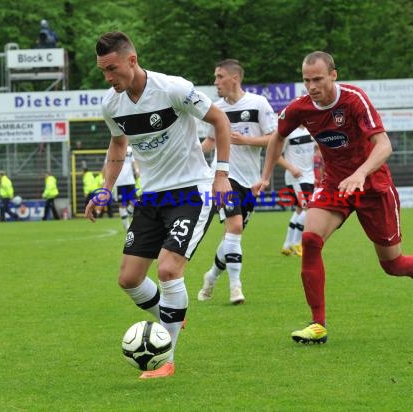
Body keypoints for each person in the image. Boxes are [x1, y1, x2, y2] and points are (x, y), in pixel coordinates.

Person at [253, 51, 413, 344]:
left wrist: (360, 174)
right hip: (335, 185)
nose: (311, 86)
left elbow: (383, 145)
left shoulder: (354, 99)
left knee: (392, 264)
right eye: (306, 80)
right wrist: (265, 176)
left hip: (373, 187)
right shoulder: (300, 108)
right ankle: (317, 324)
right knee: (310, 241)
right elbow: (277, 137)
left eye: (318, 79)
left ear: (333, 75)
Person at [87, 31, 231, 379]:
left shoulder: (173, 89)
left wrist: (221, 175)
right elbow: (118, 147)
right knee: (129, 279)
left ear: (131, 60)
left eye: (112, 68)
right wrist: (105, 188)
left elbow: (220, 121)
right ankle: (173, 316)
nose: (108, 77)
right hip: (151, 197)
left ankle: (167, 357)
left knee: (168, 270)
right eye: (103, 71)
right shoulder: (112, 104)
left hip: (190, 192)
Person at [197, 59, 277, 305]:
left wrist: (246, 141)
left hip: (250, 180)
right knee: (235, 228)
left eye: (219, 76)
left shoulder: (258, 103)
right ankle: (236, 288)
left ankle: (211, 276)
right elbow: (210, 142)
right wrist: (190, 158)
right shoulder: (215, 108)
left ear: (235, 78)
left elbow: (274, 138)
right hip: (222, 177)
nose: (215, 81)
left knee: (232, 237)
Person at [277, 125, 315, 257]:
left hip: (309, 177)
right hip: (296, 178)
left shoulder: (311, 128)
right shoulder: (288, 131)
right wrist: (291, 168)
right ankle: (297, 243)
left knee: (300, 209)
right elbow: (276, 155)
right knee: (309, 208)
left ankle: (287, 245)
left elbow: (317, 148)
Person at [106, 145, 140, 230]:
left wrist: (136, 170)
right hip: (119, 181)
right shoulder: (111, 150)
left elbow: (133, 162)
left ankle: (127, 214)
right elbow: (108, 165)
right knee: (123, 203)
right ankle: (126, 225)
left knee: (134, 201)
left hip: (130, 180)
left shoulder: (129, 149)